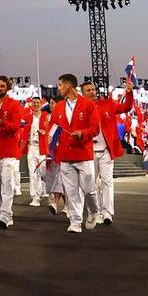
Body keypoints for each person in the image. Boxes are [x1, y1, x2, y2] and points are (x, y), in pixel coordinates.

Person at [0, 75, 31, 228]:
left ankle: (4, 214)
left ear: (7, 88)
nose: (0, 88)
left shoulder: (14, 105)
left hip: (9, 151)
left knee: (7, 184)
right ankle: (6, 214)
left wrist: (2, 123)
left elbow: (16, 126)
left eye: (3, 86)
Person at [49, 74, 99, 234]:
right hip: (65, 155)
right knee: (71, 192)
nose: (58, 88)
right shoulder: (58, 107)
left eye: (60, 85)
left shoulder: (88, 104)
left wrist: (83, 133)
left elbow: (95, 128)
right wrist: (50, 146)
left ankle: (93, 211)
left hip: (83, 153)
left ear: (69, 85)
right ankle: (75, 221)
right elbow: (53, 128)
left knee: (89, 188)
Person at [81, 78, 133, 225]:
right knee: (91, 184)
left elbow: (126, 107)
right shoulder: (80, 109)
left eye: (93, 89)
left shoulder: (107, 104)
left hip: (106, 150)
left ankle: (107, 212)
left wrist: (129, 93)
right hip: (88, 151)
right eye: (88, 90)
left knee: (107, 181)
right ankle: (95, 212)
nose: (92, 92)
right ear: (82, 93)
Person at [27, 96, 48, 205]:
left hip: (42, 147)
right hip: (31, 147)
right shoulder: (27, 117)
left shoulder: (46, 116)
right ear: (31, 104)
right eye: (33, 102)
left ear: (41, 104)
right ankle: (35, 197)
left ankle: (43, 188)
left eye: (37, 102)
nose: (35, 104)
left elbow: (51, 129)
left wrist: (45, 133)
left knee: (43, 172)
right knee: (33, 173)